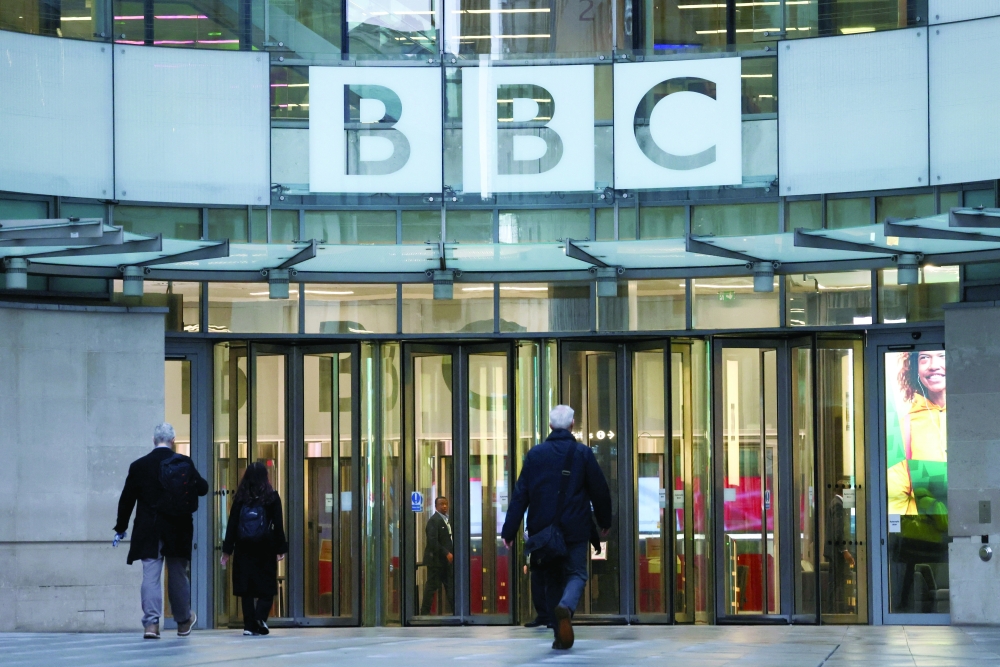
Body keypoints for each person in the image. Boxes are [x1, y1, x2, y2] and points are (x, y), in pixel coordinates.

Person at [502, 405, 612, 651]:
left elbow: (521, 494)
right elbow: (599, 490)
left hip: (544, 532)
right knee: (577, 574)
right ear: (573, 424)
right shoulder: (582, 453)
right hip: (575, 528)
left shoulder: (535, 454)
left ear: (550, 426)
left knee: (551, 580)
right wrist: (604, 521)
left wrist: (509, 531)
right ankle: (567, 607)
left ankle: (558, 634)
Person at [114, 423, 208, 639]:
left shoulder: (139, 466)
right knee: (177, 574)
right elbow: (203, 488)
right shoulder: (184, 463)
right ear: (173, 440)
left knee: (151, 575)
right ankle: (183, 621)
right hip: (178, 528)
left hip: (149, 528)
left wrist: (121, 527)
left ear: (154, 440)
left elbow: (126, 500)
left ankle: (151, 625)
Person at [221, 462, 288, 636]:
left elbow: (232, 525)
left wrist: (227, 551)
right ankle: (260, 618)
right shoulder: (272, 498)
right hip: (265, 547)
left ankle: (249, 626)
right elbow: (278, 525)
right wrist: (281, 548)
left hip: (244, 548)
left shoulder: (240, 498)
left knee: (247, 589)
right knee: (266, 587)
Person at [420, 496, 454, 615]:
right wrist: (447, 553)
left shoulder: (447, 520)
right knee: (431, 587)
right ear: (436, 506)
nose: (444, 506)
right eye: (441, 504)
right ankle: (424, 613)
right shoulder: (434, 521)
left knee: (450, 587)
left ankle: (457, 612)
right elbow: (432, 541)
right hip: (436, 561)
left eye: (446, 504)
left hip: (445, 562)